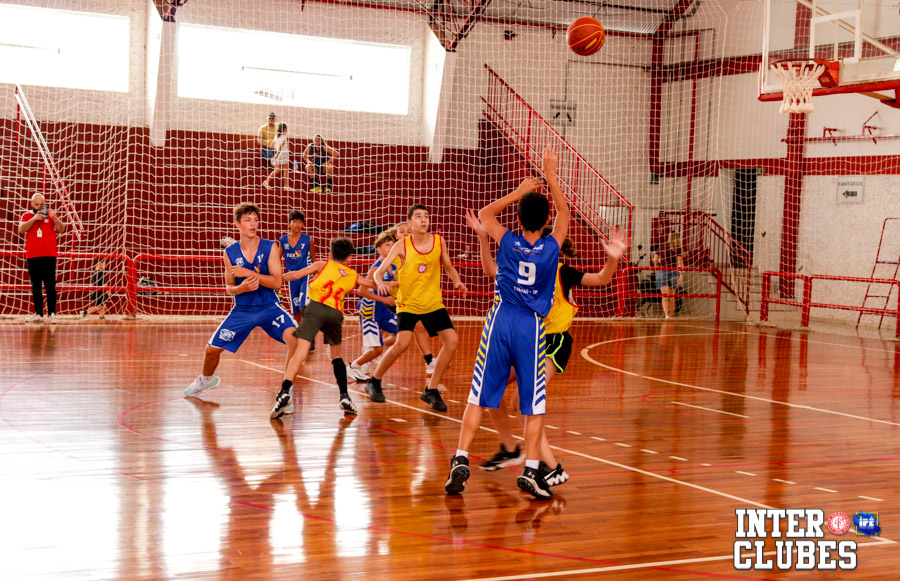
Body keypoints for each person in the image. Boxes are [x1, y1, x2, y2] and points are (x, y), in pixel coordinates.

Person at [466, 209, 627, 488]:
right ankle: (510, 448)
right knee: (491, 392)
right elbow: (491, 271)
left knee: (522, 404)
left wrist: (612, 259)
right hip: (527, 338)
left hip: (553, 342)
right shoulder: (522, 263)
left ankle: (552, 467)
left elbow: (602, 279)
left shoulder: (563, 272)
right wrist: (482, 239)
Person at [445, 146, 568, 500]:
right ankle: (531, 470)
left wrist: (519, 191)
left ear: (518, 218)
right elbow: (564, 212)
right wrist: (550, 174)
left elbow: (485, 214)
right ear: (545, 221)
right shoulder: (552, 247)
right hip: (531, 326)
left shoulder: (509, 240)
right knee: (533, 404)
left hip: (500, 319)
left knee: (478, 396)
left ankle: (461, 457)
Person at [185, 203, 299, 405]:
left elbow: (277, 282)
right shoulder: (230, 252)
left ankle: (286, 391)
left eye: (255, 220)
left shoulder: (270, 247)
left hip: (269, 307)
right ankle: (205, 379)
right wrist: (241, 288)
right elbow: (229, 287)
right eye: (247, 220)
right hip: (243, 310)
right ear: (237, 224)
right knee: (211, 351)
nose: (253, 224)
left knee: (296, 340)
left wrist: (249, 273)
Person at [270, 237, 392, 419]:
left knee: (300, 352)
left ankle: (285, 391)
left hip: (315, 309)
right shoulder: (352, 274)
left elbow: (295, 275)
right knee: (336, 357)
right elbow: (373, 284)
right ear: (350, 258)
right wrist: (388, 283)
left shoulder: (322, 265)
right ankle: (344, 396)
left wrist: (274, 280)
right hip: (335, 314)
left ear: (329, 254)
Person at [365, 204, 468, 411]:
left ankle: (432, 389)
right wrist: (380, 282)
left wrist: (457, 281)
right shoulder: (402, 245)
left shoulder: (438, 241)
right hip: (408, 302)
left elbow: (448, 266)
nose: (424, 219)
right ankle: (374, 381)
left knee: (452, 341)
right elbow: (378, 271)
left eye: (426, 216)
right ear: (410, 223)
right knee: (402, 343)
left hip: (432, 302)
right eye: (419, 216)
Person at [347, 229, 399, 381]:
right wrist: (386, 300)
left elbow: (385, 286)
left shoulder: (392, 267)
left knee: (401, 333)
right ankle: (353, 366)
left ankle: (369, 351)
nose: (391, 247)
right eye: (387, 245)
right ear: (378, 249)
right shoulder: (376, 268)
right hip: (369, 310)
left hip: (382, 310)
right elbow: (361, 291)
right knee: (378, 350)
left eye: (392, 245)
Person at [393, 221, 437, 376]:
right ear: (396, 235)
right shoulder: (393, 255)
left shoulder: (416, 253)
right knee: (403, 337)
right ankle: (369, 356)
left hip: (409, 300)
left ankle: (430, 361)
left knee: (416, 329)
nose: (405, 234)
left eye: (408, 231)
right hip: (391, 299)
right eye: (402, 231)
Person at [19, 193, 65, 323]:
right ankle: (38, 313)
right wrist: (34, 219)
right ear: (31, 204)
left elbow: (61, 229)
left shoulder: (51, 215)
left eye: (41, 204)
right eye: (36, 204)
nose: (39, 207)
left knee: (50, 285)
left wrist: (54, 217)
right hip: (33, 256)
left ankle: (52, 313)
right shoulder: (27, 215)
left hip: (49, 255)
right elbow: (22, 229)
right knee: (36, 286)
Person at [652, 231, 684, 318]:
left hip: (662, 271)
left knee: (665, 296)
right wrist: (681, 275)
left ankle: (666, 315)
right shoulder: (677, 248)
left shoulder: (662, 246)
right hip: (673, 271)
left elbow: (655, 259)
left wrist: (659, 265)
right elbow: (679, 264)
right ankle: (671, 315)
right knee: (672, 296)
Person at [263, 123, 293, 191]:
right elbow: (280, 147)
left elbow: (271, 146)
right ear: (284, 129)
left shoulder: (276, 137)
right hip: (283, 154)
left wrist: (275, 155)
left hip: (278, 154)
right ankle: (285, 186)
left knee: (277, 170)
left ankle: (266, 181)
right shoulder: (284, 137)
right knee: (285, 170)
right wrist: (276, 156)